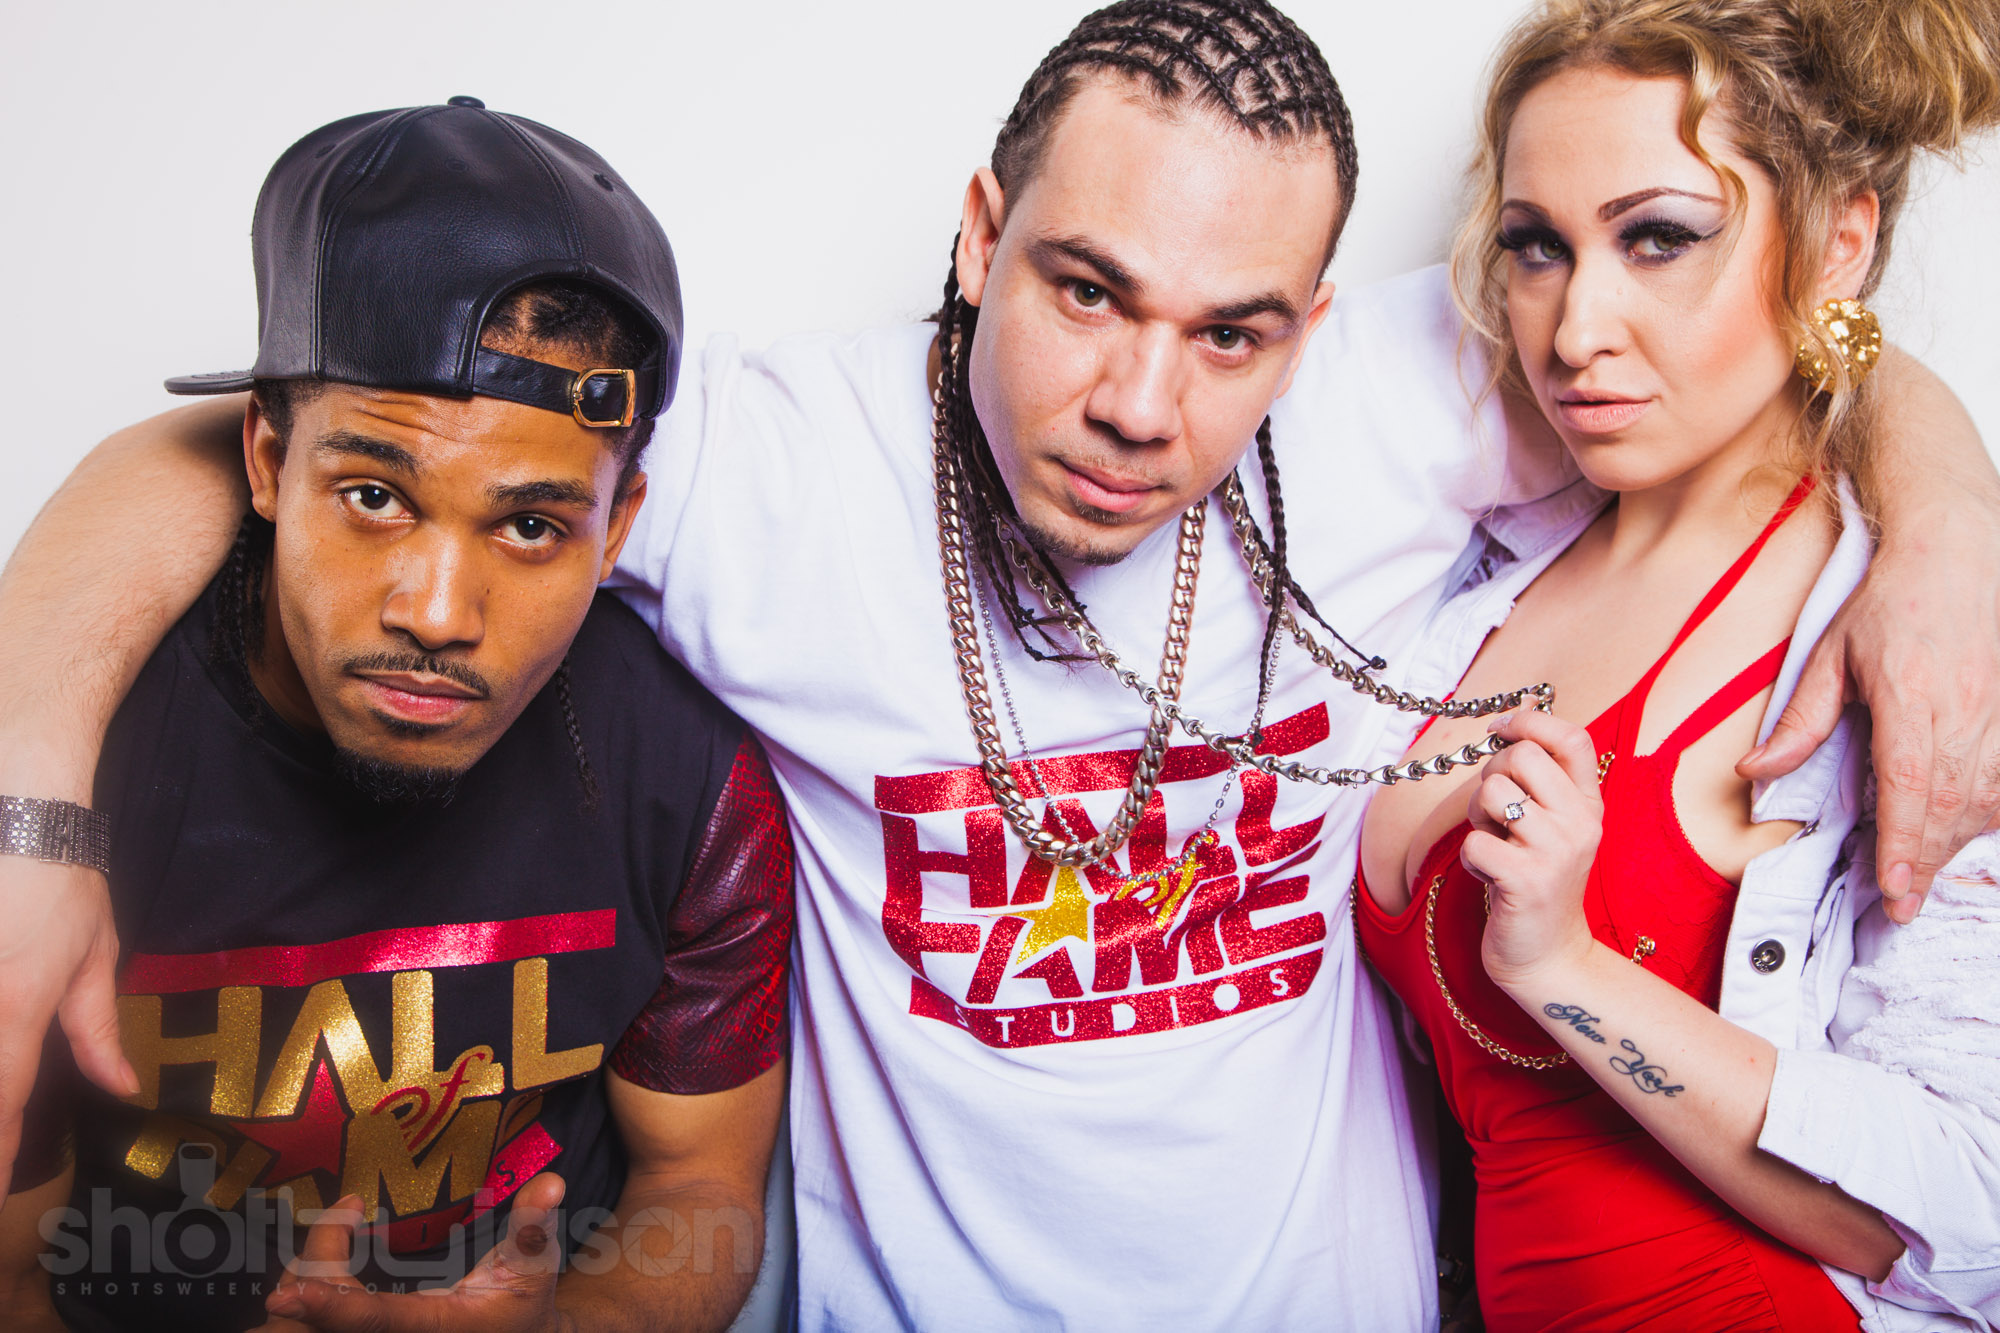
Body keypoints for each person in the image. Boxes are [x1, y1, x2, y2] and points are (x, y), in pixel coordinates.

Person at [0, 3, 1997, 1327]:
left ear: (1312, 329)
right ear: (979, 233)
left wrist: (1950, 526)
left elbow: (1768, 341)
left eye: (1230, 332)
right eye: (1083, 289)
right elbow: (268, 438)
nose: (1139, 400)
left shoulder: (1422, 392)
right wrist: (28, 818)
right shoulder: (773, 471)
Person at [0, 101, 792, 1332]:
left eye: (529, 525)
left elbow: (698, 1187)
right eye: (374, 495)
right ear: (267, 461)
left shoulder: (679, 779)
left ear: (616, 527)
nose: (436, 612)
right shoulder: (68, 781)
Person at [1355, 0, 2000, 1328]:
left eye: (1657, 238)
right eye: (1536, 245)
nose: (1573, 329)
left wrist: (1566, 967)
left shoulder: (1920, 644)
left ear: (1835, 247)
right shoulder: (1467, 572)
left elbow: (1964, 1204)